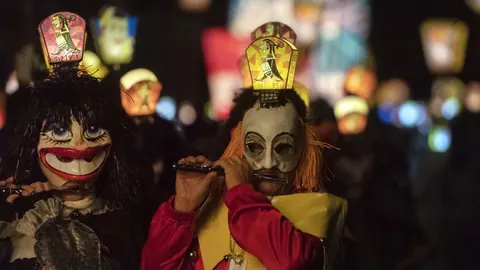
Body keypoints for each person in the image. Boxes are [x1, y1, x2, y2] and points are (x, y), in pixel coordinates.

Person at [142, 30, 347, 270]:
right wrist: (181, 211)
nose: (268, 162)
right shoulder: (210, 209)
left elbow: (292, 259)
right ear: (237, 145)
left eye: (283, 147)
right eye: (254, 147)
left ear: (304, 152)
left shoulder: (317, 211)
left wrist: (240, 192)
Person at [0, 12, 145, 269]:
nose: (79, 145)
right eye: (58, 131)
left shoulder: (127, 219)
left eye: (92, 129)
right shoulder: (18, 219)